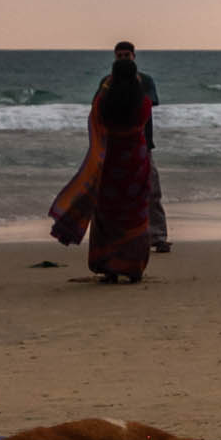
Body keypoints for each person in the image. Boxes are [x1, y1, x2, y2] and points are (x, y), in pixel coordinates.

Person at [48, 55, 154, 282]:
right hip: (136, 163)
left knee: (108, 215)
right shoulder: (143, 104)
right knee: (135, 214)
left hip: (111, 164)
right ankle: (134, 267)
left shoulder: (103, 103)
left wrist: (106, 86)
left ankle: (109, 267)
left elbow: (95, 121)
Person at [111, 41, 171, 253]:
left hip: (144, 144)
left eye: (127, 55)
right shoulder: (107, 83)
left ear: (134, 56)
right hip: (116, 146)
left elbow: (148, 103)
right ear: (115, 57)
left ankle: (158, 236)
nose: (124, 59)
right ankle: (122, 237)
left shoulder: (145, 81)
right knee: (117, 194)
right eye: (120, 56)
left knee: (152, 190)